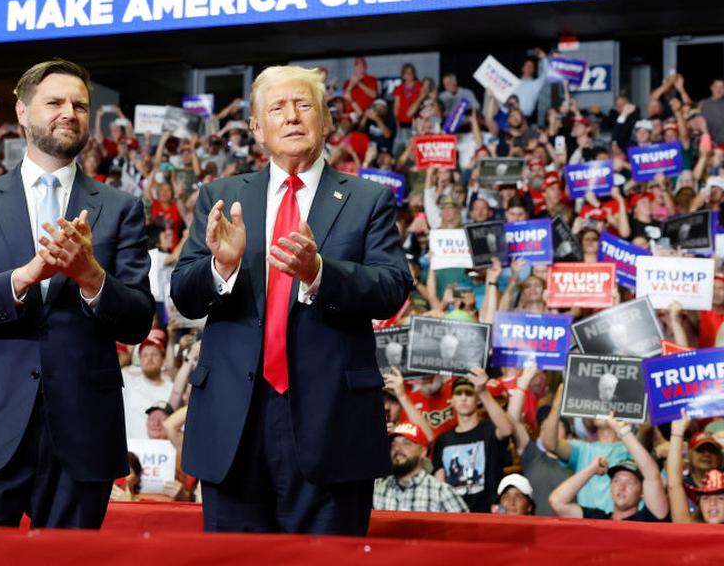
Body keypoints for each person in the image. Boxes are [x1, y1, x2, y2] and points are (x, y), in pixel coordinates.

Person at [170, 64, 412, 536]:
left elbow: (391, 288)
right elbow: (184, 293)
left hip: (332, 422)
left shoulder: (368, 200)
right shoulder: (221, 196)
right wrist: (222, 267)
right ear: (258, 128)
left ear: (325, 121)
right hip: (234, 422)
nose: (292, 116)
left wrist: (319, 273)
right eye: (277, 108)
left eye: (304, 105)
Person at [0, 58, 153, 529]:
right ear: (22, 113)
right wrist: (24, 276)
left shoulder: (121, 208)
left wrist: (91, 276)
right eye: (55, 102)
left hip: (83, 433)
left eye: (80, 105)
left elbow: (138, 322)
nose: (69, 112)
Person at [548, 415, 669, 522]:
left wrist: (623, 431)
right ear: (610, 487)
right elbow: (557, 501)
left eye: (630, 482)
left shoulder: (648, 518)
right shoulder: (598, 519)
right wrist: (591, 470)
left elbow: (652, 475)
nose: (622, 487)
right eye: (616, 480)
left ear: (643, 492)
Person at [431, 370, 514, 513]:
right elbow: (439, 482)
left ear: (478, 400)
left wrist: (482, 391)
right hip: (454, 514)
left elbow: (506, 430)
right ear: (451, 401)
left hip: (488, 514)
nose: (463, 398)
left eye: (469, 393)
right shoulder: (443, 439)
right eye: (458, 393)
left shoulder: (489, 430)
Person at [374, 421, 469, 513]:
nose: (397, 448)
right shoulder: (376, 489)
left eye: (406, 443)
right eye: (393, 444)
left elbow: (467, 528)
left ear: (423, 452)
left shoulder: (441, 493)